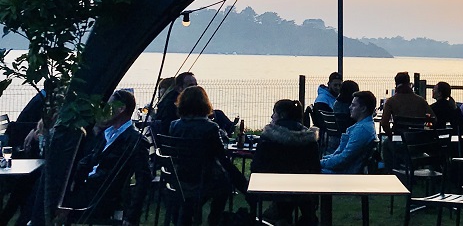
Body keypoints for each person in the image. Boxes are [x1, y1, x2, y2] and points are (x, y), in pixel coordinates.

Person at [65, 90, 151, 226]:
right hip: (87, 189)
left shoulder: (134, 140)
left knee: (50, 199)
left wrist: (131, 216)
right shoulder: (107, 133)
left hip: (101, 199)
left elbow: (143, 178)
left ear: (121, 109)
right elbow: (90, 159)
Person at [169, 85, 247, 226]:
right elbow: (222, 158)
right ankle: (214, 219)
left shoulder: (174, 126)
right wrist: (243, 184)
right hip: (203, 180)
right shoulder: (210, 127)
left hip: (181, 178)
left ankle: (193, 213)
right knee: (225, 185)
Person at [251, 99, 320, 225]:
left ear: (282, 115)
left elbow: (256, 166)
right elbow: (316, 167)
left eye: (274, 112)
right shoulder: (310, 138)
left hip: (274, 188)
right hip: (305, 190)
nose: (272, 116)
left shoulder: (268, 137)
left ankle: (280, 216)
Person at [320, 91, 377, 174]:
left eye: (353, 105)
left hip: (342, 174)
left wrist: (320, 163)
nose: (350, 107)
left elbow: (343, 159)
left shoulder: (362, 130)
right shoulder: (365, 127)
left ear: (363, 108)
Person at [380, 72, 435, 138]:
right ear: (409, 83)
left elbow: (384, 123)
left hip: (400, 138)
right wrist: (425, 131)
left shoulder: (391, 101)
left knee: (385, 144)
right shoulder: (421, 101)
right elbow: (433, 119)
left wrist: (391, 136)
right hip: (418, 139)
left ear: (396, 83)